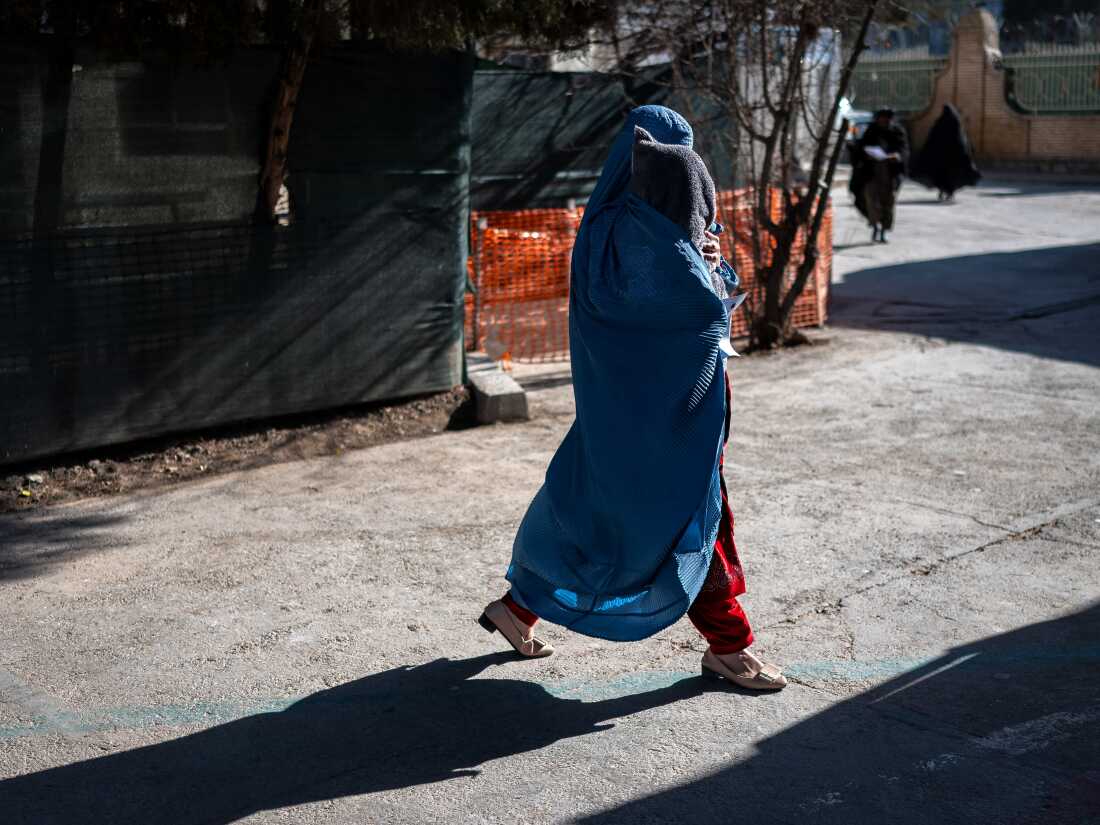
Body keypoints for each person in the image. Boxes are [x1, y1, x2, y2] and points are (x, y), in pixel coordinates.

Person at [477, 105, 786, 692]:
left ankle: (517, 611)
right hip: (669, 422)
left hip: (615, 412)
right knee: (690, 525)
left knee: (589, 511)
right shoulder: (647, 236)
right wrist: (706, 266)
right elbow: (696, 311)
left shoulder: (603, 226)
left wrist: (705, 257)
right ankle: (730, 645)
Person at [849, 107, 909, 243]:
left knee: (888, 203)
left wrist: (897, 156)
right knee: (871, 201)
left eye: (885, 118)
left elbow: (904, 150)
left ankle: (883, 231)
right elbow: (861, 148)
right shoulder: (871, 131)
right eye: (880, 118)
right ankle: (875, 226)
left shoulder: (897, 132)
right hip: (872, 174)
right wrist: (866, 155)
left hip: (890, 174)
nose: (883, 121)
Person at [910, 104, 981, 202]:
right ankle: (949, 192)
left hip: (942, 159)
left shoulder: (940, 122)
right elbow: (962, 142)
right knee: (950, 177)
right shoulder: (956, 123)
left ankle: (944, 191)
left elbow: (932, 140)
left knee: (942, 176)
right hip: (953, 159)